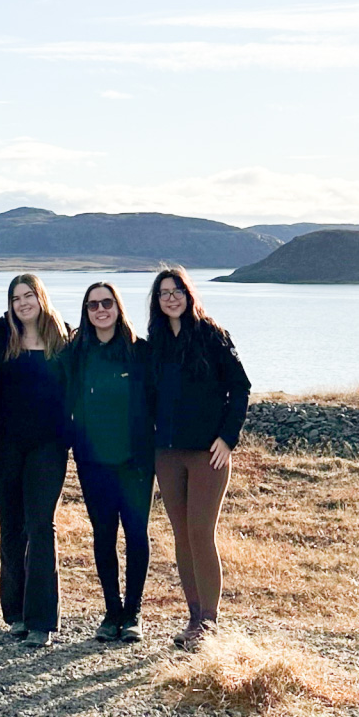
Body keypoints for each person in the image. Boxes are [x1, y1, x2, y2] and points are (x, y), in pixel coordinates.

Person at [148, 267, 252, 648]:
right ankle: (193, 617)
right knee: (181, 536)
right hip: (168, 455)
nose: (171, 298)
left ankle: (210, 620)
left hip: (208, 454)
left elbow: (240, 388)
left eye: (176, 291)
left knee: (200, 533)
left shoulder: (212, 335)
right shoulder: (156, 342)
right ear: (157, 302)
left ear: (189, 295)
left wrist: (228, 439)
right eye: (163, 293)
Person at [64, 281, 155, 643]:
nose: (100, 309)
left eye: (107, 303)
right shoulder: (77, 353)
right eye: (92, 305)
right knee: (103, 534)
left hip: (135, 460)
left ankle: (133, 612)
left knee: (136, 533)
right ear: (86, 313)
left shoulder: (140, 352)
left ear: (118, 307)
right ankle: (111, 611)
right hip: (93, 461)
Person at [0, 274, 70, 648]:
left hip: (47, 447)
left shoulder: (63, 338)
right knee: (12, 526)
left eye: (28, 295)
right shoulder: (0, 336)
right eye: (16, 297)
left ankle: (42, 619)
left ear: (41, 298)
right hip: (4, 447)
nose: (22, 303)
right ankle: (16, 614)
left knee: (40, 525)